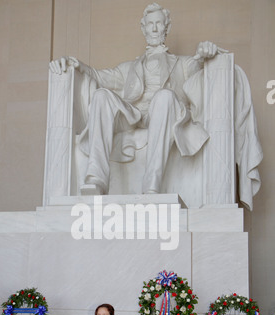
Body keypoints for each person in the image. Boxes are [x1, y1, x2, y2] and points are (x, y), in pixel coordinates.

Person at [50, 3, 220, 196]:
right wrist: (76, 64)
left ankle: (151, 186)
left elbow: (198, 66)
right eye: (150, 24)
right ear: (143, 28)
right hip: (134, 115)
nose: (154, 28)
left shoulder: (182, 63)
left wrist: (204, 52)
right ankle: (96, 179)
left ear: (167, 27)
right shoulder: (128, 68)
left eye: (159, 23)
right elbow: (98, 76)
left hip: (165, 113)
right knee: (101, 95)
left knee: (164, 96)